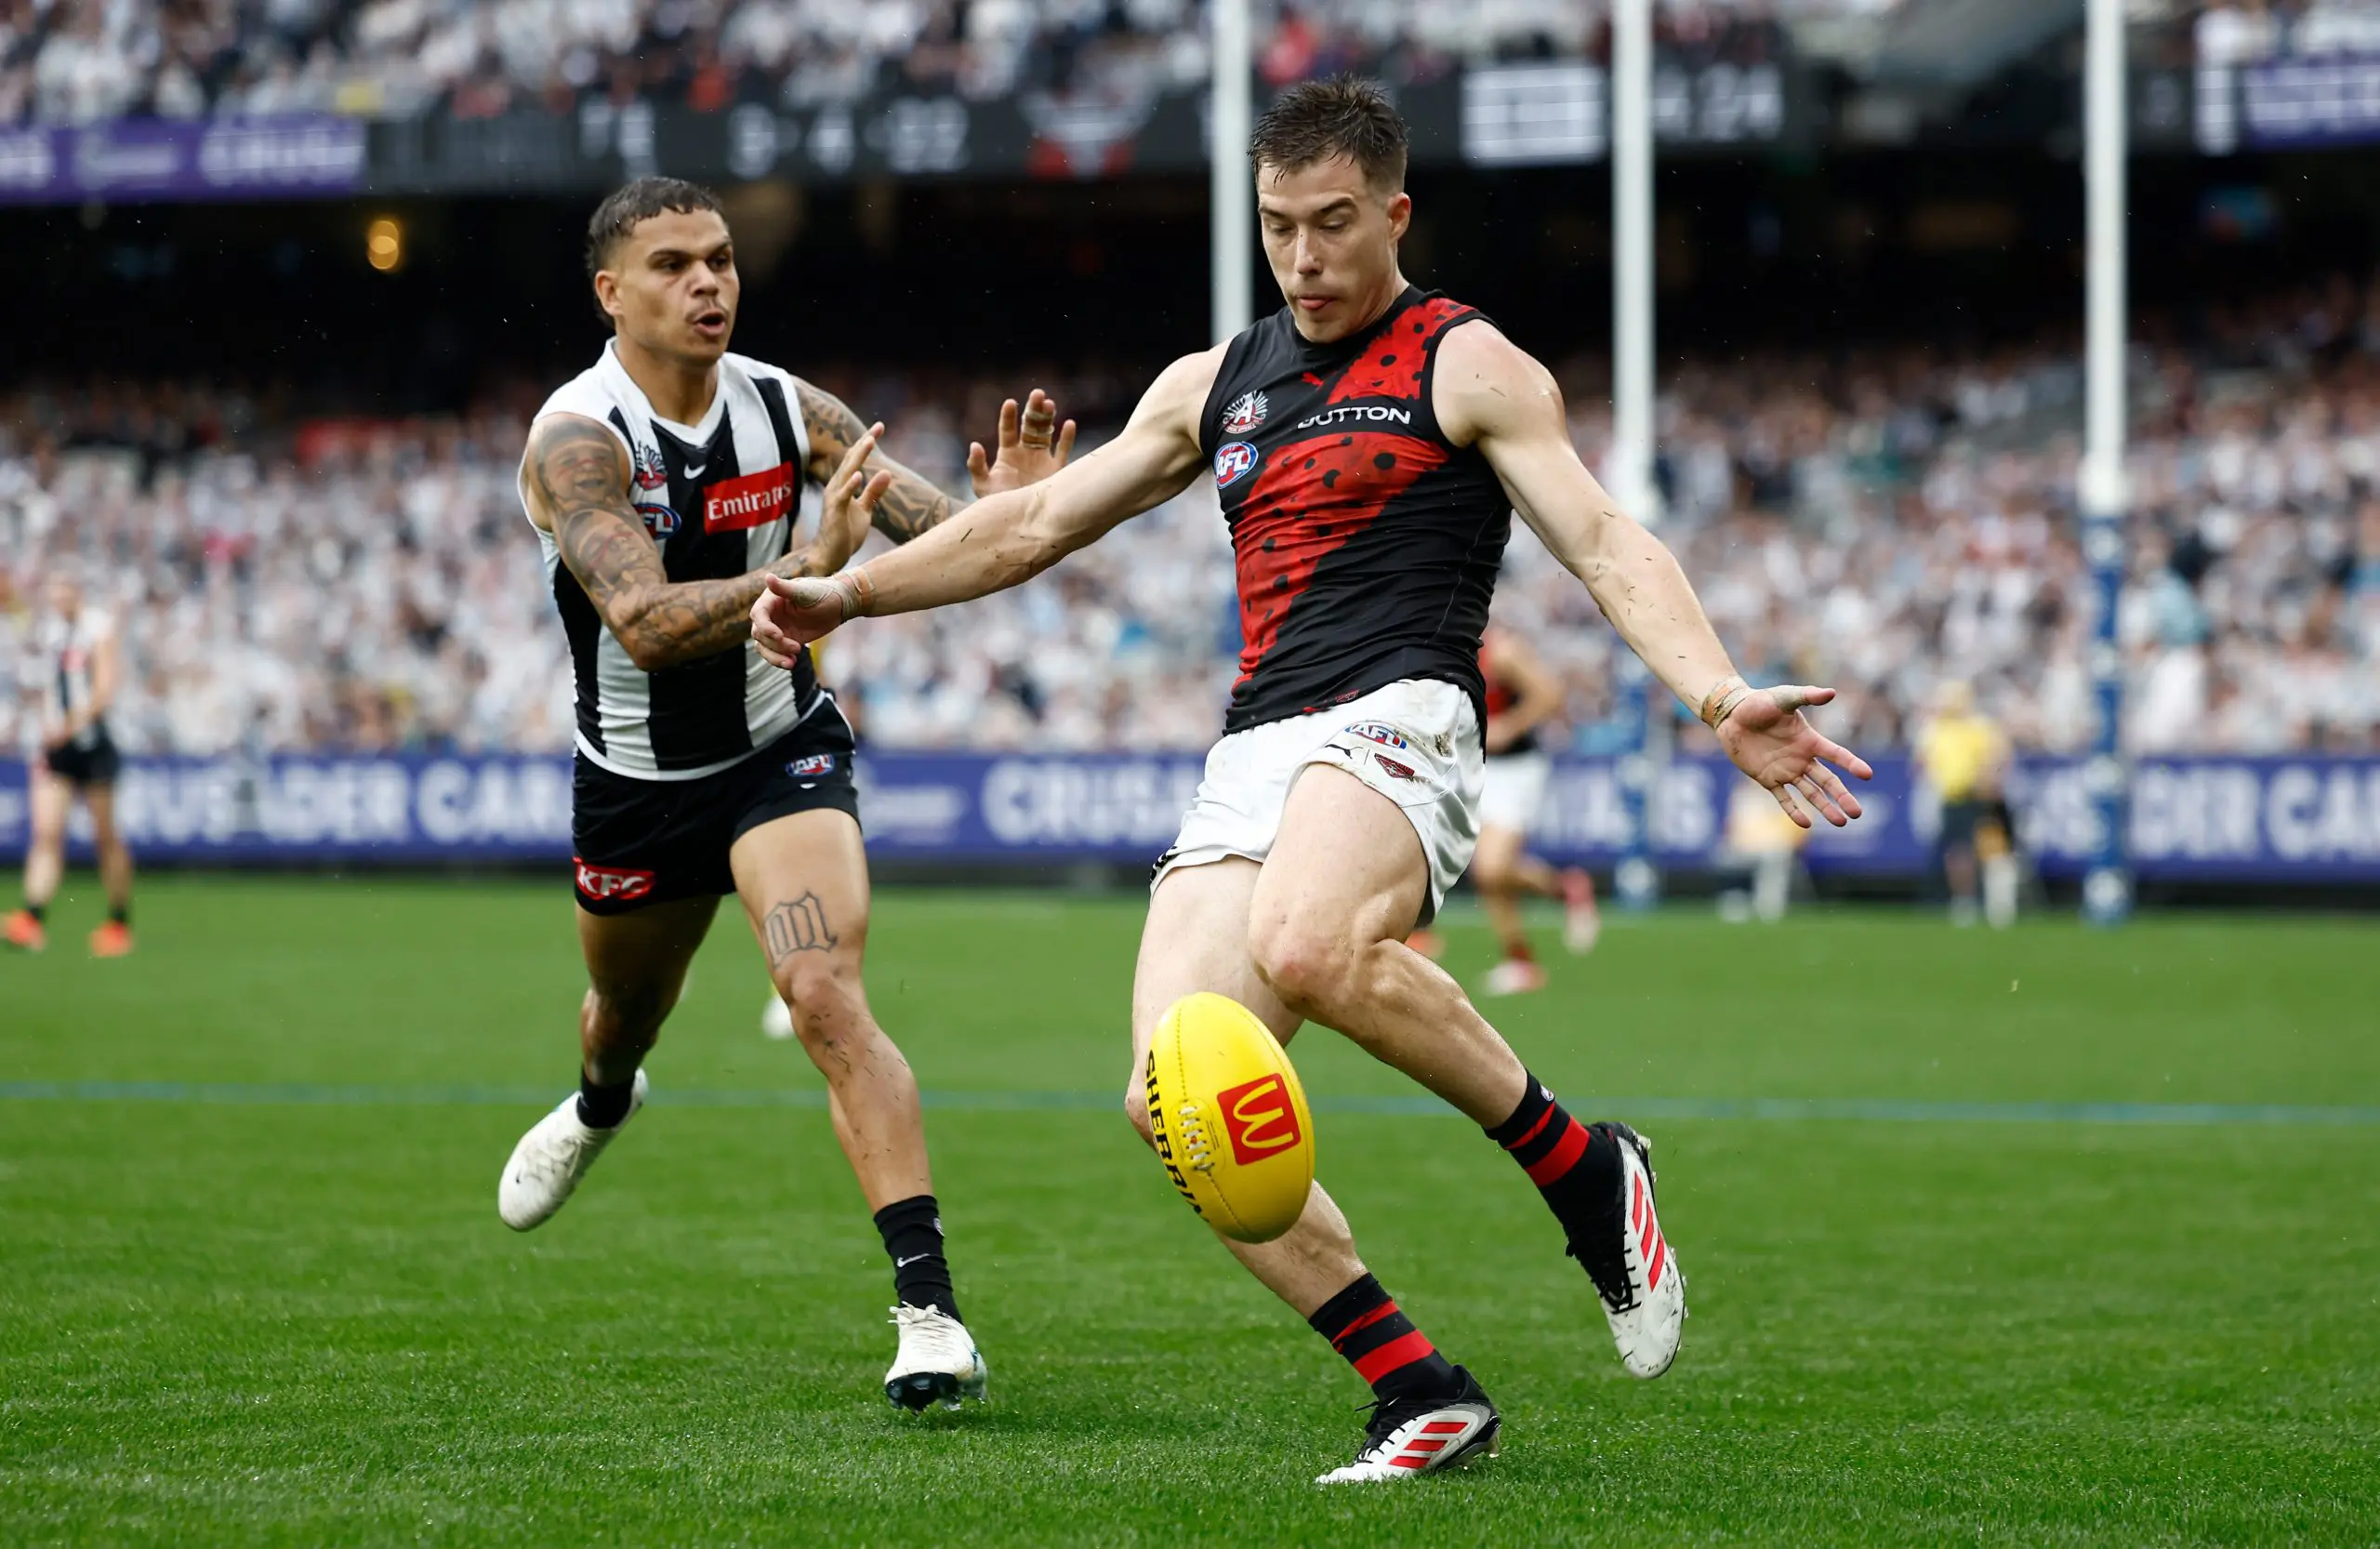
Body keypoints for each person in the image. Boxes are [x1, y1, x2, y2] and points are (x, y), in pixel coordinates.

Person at [753, 80, 1870, 1483]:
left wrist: (1717, 691)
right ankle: (1419, 1388)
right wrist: (843, 591)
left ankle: (1584, 1169)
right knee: (1176, 1098)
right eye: (1279, 227)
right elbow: (1028, 526)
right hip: (1257, 745)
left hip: (1405, 709)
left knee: (1309, 941)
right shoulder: (1212, 381)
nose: (1305, 257)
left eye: (1334, 224)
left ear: (1395, 215)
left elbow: (1601, 538)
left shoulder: (1466, 361)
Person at [496, 176, 1076, 1413]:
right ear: (612, 293)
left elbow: (950, 541)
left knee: (823, 994)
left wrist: (1016, 508)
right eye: (671, 265)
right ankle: (604, 1100)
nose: (708, 282)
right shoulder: (578, 439)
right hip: (637, 784)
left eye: (718, 259)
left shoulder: (785, 405)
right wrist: (808, 567)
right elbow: (644, 624)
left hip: (779, 753)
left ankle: (931, 1316)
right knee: (621, 1014)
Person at [7, 563, 135, 957]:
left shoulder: (98, 628)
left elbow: (104, 690)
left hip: (92, 744)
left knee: (105, 837)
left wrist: (68, 725)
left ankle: (118, 921)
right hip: (56, 746)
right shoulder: (51, 631)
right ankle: (31, 918)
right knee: (46, 833)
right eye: (53, 589)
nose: (57, 596)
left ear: (77, 591)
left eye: (63, 588)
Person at [1469, 625, 1598, 994]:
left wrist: (1510, 724)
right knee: (1490, 873)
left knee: (1491, 868)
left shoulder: (1501, 652)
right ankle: (1525, 954)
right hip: (1477, 768)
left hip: (1515, 768)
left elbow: (1549, 694)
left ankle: (1524, 955)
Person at [1915, 680, 2015, 927]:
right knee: (1959, 852)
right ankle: (1966, 901)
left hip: (1979, 798)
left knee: (1990, 851)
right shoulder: (1937, 729)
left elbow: (1999, 759)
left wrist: (1987, 781)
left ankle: (1996, 905)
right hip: (1954, 798)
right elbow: (1923, 762)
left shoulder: (1978, 727)